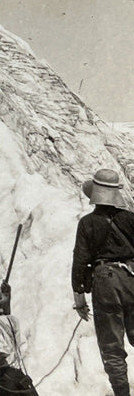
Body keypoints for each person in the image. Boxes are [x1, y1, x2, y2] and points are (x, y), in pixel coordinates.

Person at [72, 168, 134, 396]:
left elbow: (79, 261)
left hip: (105, 283)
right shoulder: (131, 219)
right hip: (132, 279)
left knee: (112, 347)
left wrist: (79, 298)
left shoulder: (87, 223)